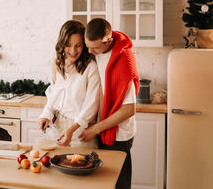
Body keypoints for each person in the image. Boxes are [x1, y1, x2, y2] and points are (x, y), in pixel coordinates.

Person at [79, 18, 139, 189]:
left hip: (117, 135)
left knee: (119, 184)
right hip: (101, 129)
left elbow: (128, 110)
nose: (89, 51)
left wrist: (96, 129)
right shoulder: (97, 52)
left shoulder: (123, 61)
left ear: (109, 41)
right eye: (87, 45)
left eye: (94, 47)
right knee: (101, 183)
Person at [37, 20, 101, 148]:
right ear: (62, 44)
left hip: (81, 131)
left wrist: (72, 130)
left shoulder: (91, 68)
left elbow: (91, 106)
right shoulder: (57, 64)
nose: (73, 51)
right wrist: (46, 115)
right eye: (68, 45)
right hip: (58, 128)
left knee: (80, 165)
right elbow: (53, 97)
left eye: (78, 45)